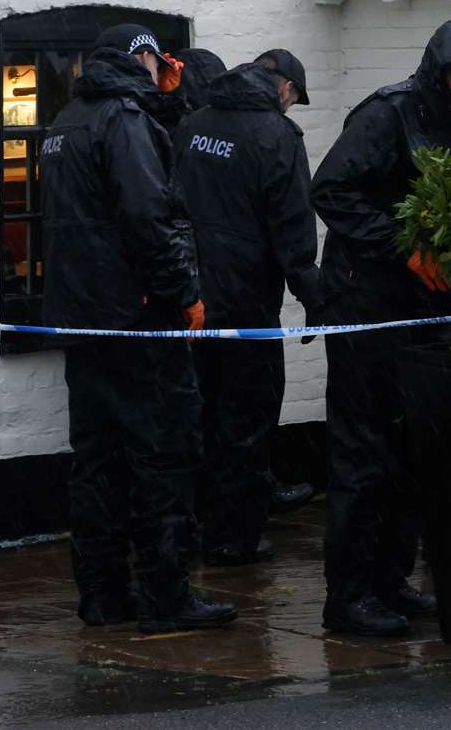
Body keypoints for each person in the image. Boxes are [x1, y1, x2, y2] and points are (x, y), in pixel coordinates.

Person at [311, 20, 451, 636]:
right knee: (362, 452)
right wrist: (404, 246)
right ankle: (349, 595)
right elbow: (331, 189)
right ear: (438, 72)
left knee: (408, 452)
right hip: (367, 306)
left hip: (425, 307)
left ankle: (391, 579)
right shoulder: (387, 115)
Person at [41, 23, 235, 634]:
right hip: (137, 318)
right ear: (143, 59)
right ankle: (166, 595)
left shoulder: (67, 120)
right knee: (164, 455)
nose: (166, 73)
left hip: (83, 319)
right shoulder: (125, 120)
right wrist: (183, 295)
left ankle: (102, 594)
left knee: (97, 460)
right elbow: (150, 215)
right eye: (161, 62)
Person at [175, 49, 322, 566]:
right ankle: (233, 536)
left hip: (189, 299)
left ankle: (186, 529)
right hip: (246, 303)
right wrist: (312, 294)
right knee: (248, 417)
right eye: (295, 98)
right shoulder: (277, 136)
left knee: (196, 414)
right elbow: (292, 226)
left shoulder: (193, 123)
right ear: (283, 88)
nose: (292, 107)